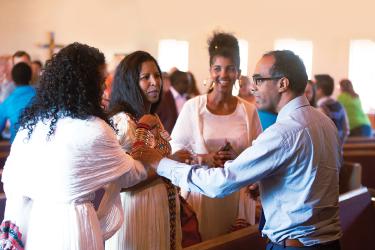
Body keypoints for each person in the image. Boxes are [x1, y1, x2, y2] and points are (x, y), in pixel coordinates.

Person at [138, 50, 342, 249]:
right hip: (328, 242)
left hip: (294, 244)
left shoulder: (284, 132)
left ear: (282, 83)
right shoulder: (325, 122)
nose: (253, 88)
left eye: (259, 80)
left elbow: (220, 183)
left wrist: (160, 163)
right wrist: (264, 184)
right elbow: (309, 180)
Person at [0, 43, 149, 250]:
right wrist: (148, 155)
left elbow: (10, 177)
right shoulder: (93, 129)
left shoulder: (32, 126)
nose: (104, 88)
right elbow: (131, 174)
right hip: (74, 224)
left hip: (38, 224)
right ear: (87, 84)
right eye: (100, 80)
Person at [169, 32, 262, 240]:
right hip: (203, 195)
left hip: (238, 196)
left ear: (238, 73)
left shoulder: (248, 111)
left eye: (230, 69)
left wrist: (238, 159)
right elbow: (175, 151)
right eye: (218, 68)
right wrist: (204, 159)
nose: (224, 75)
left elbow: (259, 154)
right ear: (211, 71)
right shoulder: (193, 108)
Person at [101, 51, 182, 250]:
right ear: (130, 83)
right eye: (146, 77)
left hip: (159, 207)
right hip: (137, 211)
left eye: (157, 76)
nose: (155, 82)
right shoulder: (123, 121)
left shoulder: (152, 117)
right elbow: (119, 182)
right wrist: (169, 164)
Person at [0, 62, 36, 142]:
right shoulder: (43, 97)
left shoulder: (7, 102)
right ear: (31, 77)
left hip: (16, 148)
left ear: (13, 79)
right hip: (42, 146)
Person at [315, 74, 349, 146]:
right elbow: (346, 129)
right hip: (337, 148)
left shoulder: (321, 108)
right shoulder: (339, 105)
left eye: (314, 87)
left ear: (320, 90)